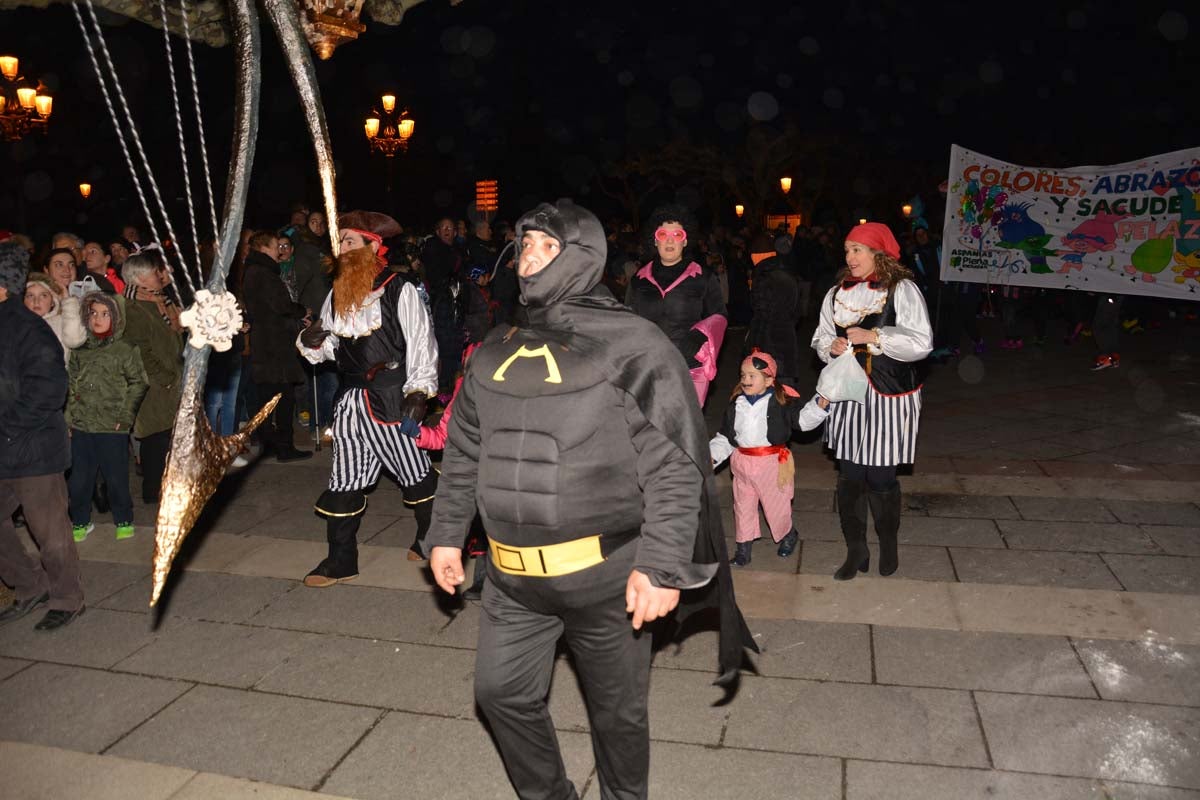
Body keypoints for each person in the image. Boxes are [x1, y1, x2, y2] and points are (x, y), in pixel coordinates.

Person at [426, 199, 754, 800]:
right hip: (511, 580)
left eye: (547, 246)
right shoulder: (496, 347)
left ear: (582, 258)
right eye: (524, 244)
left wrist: (660, 565)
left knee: (618, 720)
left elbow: (675, 467)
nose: (530, 258)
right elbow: (465, 448)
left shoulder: (634, 346)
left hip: (606, 579)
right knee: (500, 695)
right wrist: (447, 532)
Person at [297, 210, 439, 586]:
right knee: (343, 480)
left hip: (392, 400)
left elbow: (422, 341)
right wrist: (312, 341)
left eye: (349, 241)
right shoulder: (336, 293)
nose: (341, 248)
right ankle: (340, 560)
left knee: (417, 475)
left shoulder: (399, 288)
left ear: (372, 247)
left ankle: (433, 539)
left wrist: (419, 391)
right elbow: (329, 349)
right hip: (351, 404)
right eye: (339, 241)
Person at [811, 223, 932, 581]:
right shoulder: (836, 293)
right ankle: (856, 550)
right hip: (848, 394)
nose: (849, 257)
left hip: (889, 394)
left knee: (880, 477)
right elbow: (820, 335)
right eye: (847, 250)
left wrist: (875, 336)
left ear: (878, 253)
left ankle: (888, 543)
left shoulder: (902, 290)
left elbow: (921, 342)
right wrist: (828, 347)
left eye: (857, 250)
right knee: (849, 476)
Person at [0, 241, 86, 631]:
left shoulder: (29, 330)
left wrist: (7, 426)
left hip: (33, 449)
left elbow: (50, 391)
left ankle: (67, 598)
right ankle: (28, 584)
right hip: (5, 448)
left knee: (50, 533)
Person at [710, 350, 829, 566]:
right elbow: (727, 436)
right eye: (743, 375)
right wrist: (711, 456)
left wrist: (817, 407)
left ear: (769, 380)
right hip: (742, 463)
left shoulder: (780, 403)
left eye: (752, 376)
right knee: (742, 506)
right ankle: (743, 549)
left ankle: (787, 534)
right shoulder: (737, 404)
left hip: (771, 464)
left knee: (776, 506)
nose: (745, 380)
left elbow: (801, 421)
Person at [65, 293, 148, 541]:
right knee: (80, 478)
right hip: (82, 425)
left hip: (113, 426)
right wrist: (70, 417)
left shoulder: (125, 349)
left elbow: (139, 383)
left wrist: (125, 416)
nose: (98, 319)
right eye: (93, 313)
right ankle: (80, 519)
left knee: (116, 477)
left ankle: (123, 517)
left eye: (105, 314)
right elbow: (71, 385)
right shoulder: (80, 351)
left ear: (115, 318)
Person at [625, 204, 727, 405]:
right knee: (651, 430)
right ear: (655, 240)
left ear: (686, 240)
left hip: (688, 368)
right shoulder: (638, 279)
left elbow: (720, 315)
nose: (670, 240)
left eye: (677, 234)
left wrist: (699, 336)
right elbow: (627, 319)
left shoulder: (703, 277)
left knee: (683, 430)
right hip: (648, 367)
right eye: (663, 234)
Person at [242, 230, 312, 461]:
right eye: (275, 246)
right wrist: (302, 310)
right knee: (283, 396)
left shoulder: (254, 271)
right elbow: (281, 304)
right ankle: (283, 446)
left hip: (266, 341)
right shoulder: (264, 273)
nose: (278, 250)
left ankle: (268, 442)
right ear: (264, 248)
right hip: (274, 343)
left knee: (268, 395)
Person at [122, 251, 184, 504]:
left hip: (172, 378)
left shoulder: (163, 302)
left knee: (169, 435)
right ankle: (153, 490)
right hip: (153, 383)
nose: (160, 275)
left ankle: (168, 485)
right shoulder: (133, 307)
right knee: (155, 437)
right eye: (154, 271)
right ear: (139, 278)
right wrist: (165, 376)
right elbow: (138, 349)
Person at [24, 272, 86, 364]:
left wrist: (67, 300)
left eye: (43, 295)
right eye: (30, 295)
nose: (36, 301)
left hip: (54, 376)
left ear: (53, 301)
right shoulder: (14, 323)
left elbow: (75, 340)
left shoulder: (62, 321)